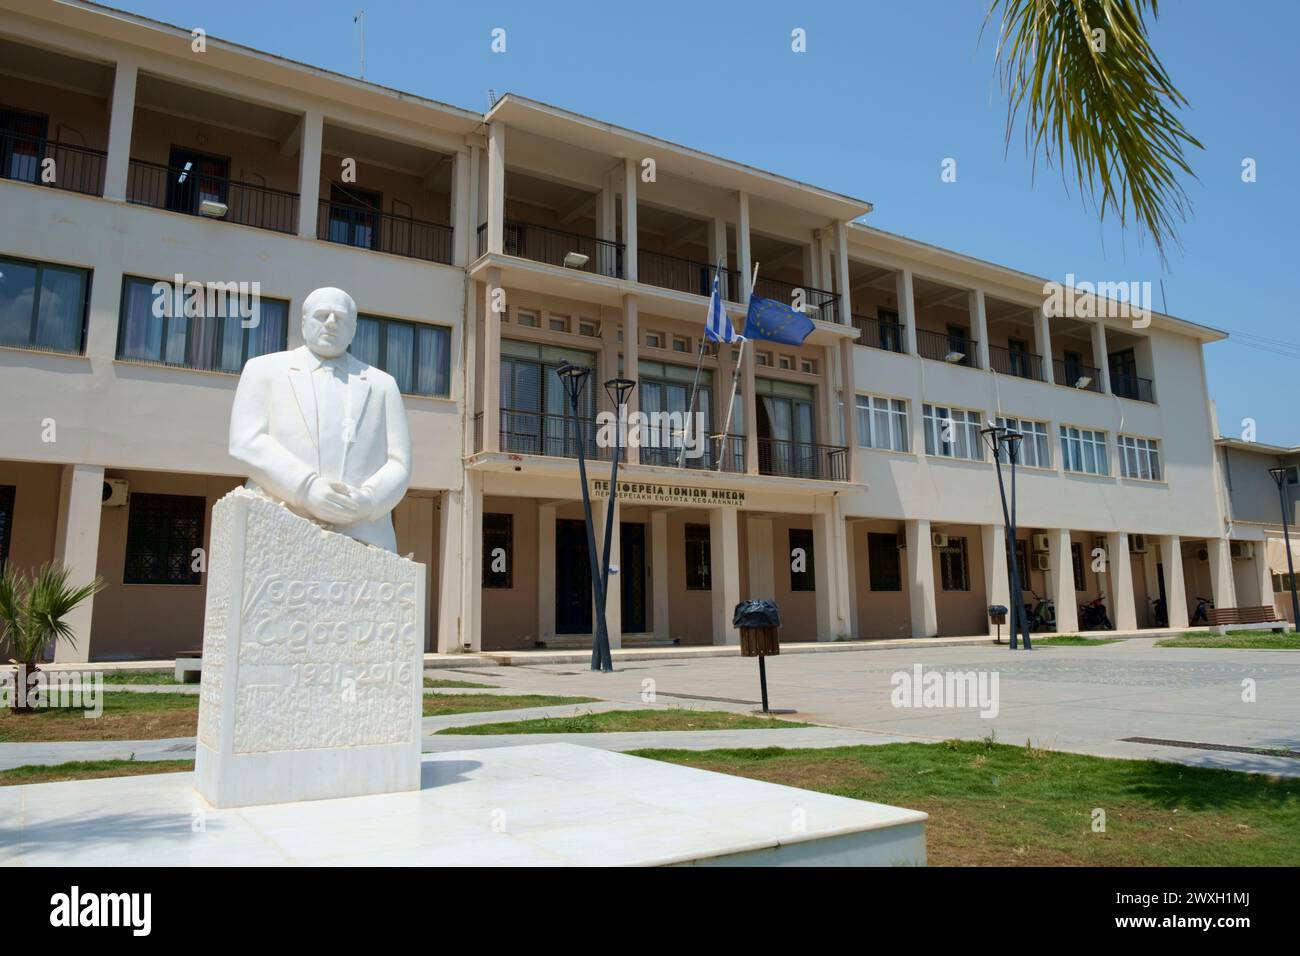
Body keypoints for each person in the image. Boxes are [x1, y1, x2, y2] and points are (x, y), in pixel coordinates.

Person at [228, 286, 411, 551]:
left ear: (354, 328)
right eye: (322, 315)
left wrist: (368, 501)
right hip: (280, 525)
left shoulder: (383, 385)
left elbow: (399, 463)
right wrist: (305, 488)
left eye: (340, 318)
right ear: (303, 322)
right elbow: (245, 440)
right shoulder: (263, 369)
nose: (331, 323)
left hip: (363, 533)